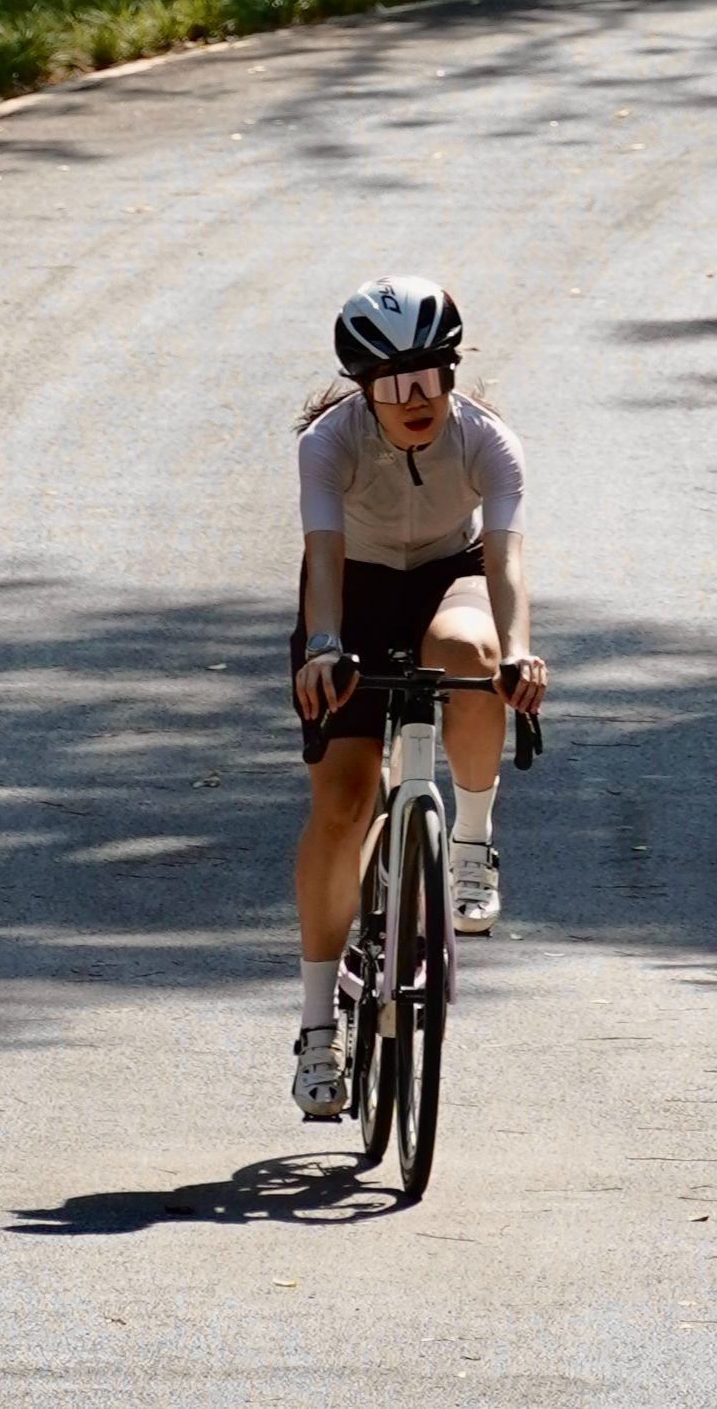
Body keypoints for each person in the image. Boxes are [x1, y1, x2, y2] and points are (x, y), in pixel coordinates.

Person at [288, 275, 546, 1118]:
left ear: (450, 374)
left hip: (451, 576)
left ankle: (469, 842)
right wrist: (325, 647)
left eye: (431, 376)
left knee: (468, 654)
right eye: (395, 384)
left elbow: (504, 560)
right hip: (353, 590)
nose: (416, 398)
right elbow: (323, 556)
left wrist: (517, 652)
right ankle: (318, 1031)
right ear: (366, 389)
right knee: (344, 802)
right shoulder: (330, 443)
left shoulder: (488, 441)